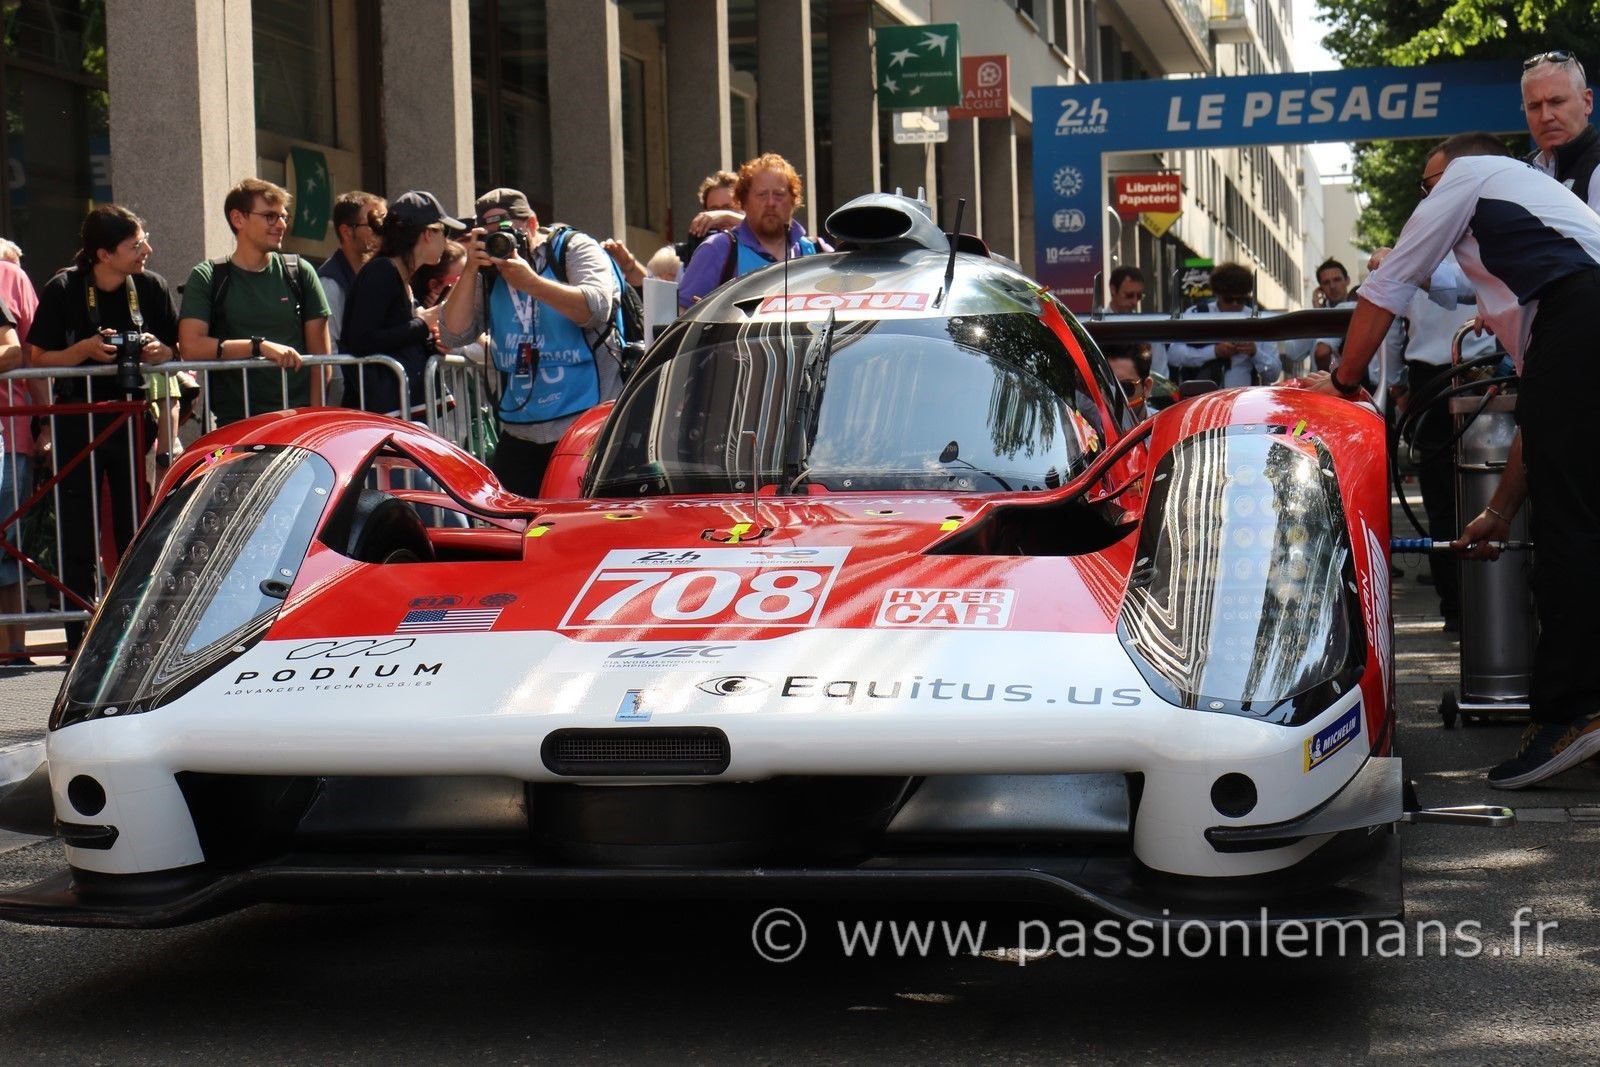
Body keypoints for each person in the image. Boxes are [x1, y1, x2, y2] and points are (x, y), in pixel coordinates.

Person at [1315, 130, 1600, 789]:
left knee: (1568, 532)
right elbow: (1538, 419)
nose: (1426, 199)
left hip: (1581, 321)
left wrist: (1345, 379)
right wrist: (1498, 512)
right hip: (1577, 328)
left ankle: (1571, 715)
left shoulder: (1471, 177)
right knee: (1582, 515)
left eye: (1428, 185)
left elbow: (1389, 282)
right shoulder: (1540, 253)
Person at [26, 205, 179, 654]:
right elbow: (37, 358)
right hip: (78, 416)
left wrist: (160, 352)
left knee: (135, 526)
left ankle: (135, 634)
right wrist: (85, 351)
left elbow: (177, 346)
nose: (147, 250)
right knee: (78, 528)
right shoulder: (64, 288)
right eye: (136, 244)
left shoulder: (150, 287)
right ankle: (79, 637)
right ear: (103, 254)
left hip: (131, 416)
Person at [438, 187, 623, 497]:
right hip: (521, 428)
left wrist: (532, 283)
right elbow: (453, 333)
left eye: (508, 232)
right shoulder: (488, 270)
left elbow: (596, 308)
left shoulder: (571, 248)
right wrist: (470, 269)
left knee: (581, 518)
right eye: (491, 236)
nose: (501, 243)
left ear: (533, 224)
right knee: (511, 520)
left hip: (586, 426)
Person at [177, 178, 332, 426]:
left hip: (295, 424)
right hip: (232, 427)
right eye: (270, 216)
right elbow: (191, 346)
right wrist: (258, 347)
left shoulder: (300, 272)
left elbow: (321, 361)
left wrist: (312, 423)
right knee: (214, 456)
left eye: (284, 216)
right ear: (238, 219)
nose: (281, 225)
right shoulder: (208, 275)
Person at [339, 191, 466, 419]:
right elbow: (361, 339)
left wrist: (433, 344)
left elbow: (395, 338)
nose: (447, 241)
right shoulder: (382, 271)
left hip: (395, 412)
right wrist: (422, 324)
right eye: (444, 232)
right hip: (375, 417)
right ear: (428, 233)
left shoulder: (400, 276)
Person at [676, 153, 831, 309]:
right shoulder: (717, 250)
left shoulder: (817, 252)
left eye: (779, 194)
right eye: (762, 195)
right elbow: (681, 313)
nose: (770, 203)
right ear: (743, 202)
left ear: (793, 200)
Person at [0, 261, 46, 665]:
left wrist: (44, 421)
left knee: (8, 543)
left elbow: (23, 352)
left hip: (11, 432)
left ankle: (14, 648)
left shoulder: (8, 276)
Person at [1165, 263, 1279, 388]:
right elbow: (1173, 355)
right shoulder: (1197, 315)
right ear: (1217, 295)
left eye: (1240, 300)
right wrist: (1214, 352)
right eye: (1229, 300)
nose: (1235, 305)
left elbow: (1273, 374)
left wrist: (1255, 353)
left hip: (1242, 396)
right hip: (1201, 395)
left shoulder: (1258, 321)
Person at [1521, 50, 1600, 213]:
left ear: (1587, 102)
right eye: (1534, 106)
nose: (1545, 116)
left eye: (1556, 102)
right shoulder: (1519, 172)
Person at [318, 190, 386, 353]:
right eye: (373, 223)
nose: (383, 231)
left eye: (385, 222)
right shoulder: (330, 283)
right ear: (346, 231)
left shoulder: (385, 271)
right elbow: (332, 351)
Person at [411, 238, 467, 309]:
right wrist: (439, 311)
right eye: (461, 279)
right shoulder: (411, 310)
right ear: (435, 285)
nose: (471, 281)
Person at [1103, 342, 1153, 421]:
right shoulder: (1088, 425)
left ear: (1147, 387)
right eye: (1107, 388)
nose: (1114, 399)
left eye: (1125, 387)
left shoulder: (1167, 426)